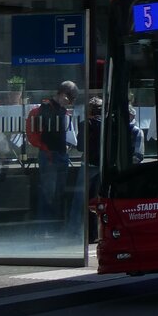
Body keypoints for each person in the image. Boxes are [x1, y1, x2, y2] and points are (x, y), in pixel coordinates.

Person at [36, 80, 78, 230]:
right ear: (62, 94)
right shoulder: (46, 107)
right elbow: (48, 132)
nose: (70, 102)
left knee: (58, 191)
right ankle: (45, 226)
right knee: (48, 191)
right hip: (50, 154)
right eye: (70, 98)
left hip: (58, 153)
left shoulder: (60, 109)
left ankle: (53, 225)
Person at [67, 96, 102, 239]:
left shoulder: (85, 124)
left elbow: (81, 146)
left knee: (79, 199)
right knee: (97, 200)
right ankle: (95, 232)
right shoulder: (109, 123)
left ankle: (74, 230)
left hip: (87, 165)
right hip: (101, 165)